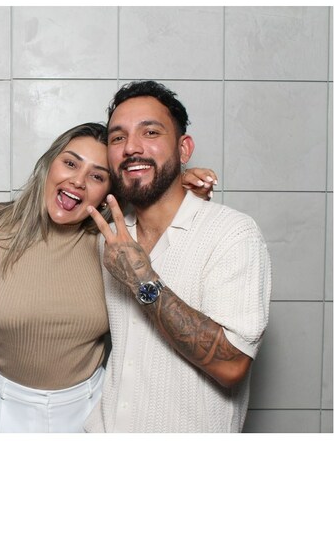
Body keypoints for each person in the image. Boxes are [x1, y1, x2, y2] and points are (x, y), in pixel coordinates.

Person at [0, 123, 217, 433]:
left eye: (97, 176)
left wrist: (176, 192)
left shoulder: (114, 244)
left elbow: (170, 271)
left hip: (87, 414)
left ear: (109, 194)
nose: (78, 181)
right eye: (70, 163)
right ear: (49, 164)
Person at [86, 81, 271, 432]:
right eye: (118, 137)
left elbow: (232, 364)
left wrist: (142, 279)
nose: (131, 148)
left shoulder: (232, 234)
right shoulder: (107, 236)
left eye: (150, 132)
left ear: (183, 149)